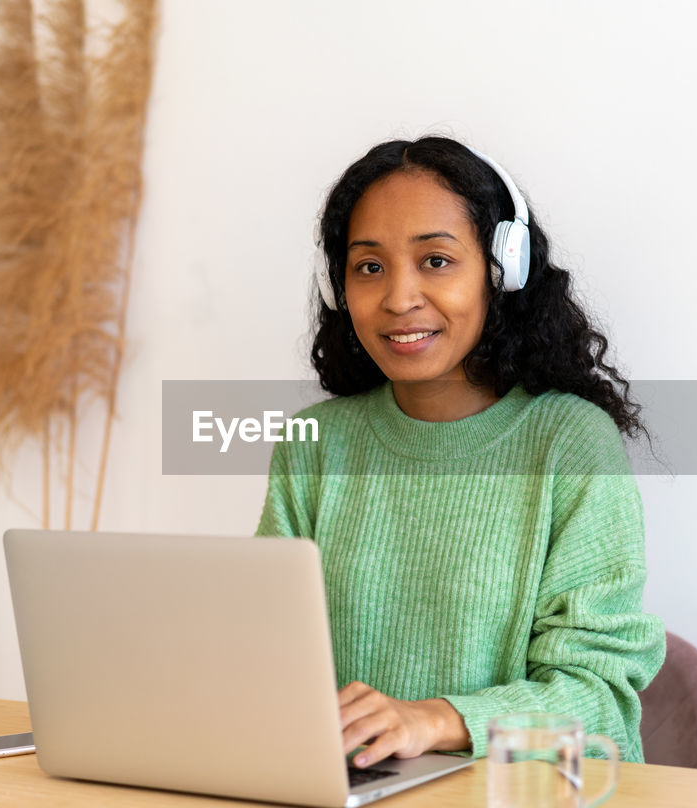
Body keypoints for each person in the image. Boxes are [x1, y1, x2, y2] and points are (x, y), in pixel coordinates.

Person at [255, 136, 665, 768]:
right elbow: (265, 654)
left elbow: (598, 697)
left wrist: (433, 721)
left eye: (436, 261)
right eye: (370, 267)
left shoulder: (569, 442)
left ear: (503, 271)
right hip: (352, 805)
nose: (398, 297)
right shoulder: (315, 445)